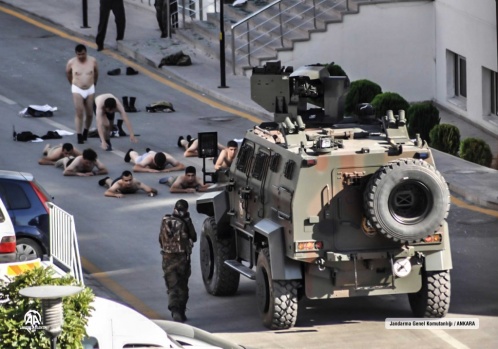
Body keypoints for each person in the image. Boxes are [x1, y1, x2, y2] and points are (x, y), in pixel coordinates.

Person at [158, 199, 197, 322]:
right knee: (182, 285)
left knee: (172, 285)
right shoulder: (185, 221)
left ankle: (175, 309)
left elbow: (160, 239)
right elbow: (194, 237)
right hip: (182, 259)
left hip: (167, 258)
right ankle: (180, 310)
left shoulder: (165, 220)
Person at [66, 44, 99, 144]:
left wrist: (94, 83)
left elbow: (96, 73)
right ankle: (79, 134)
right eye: (79, 54)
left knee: (89, 113)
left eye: (83, 54)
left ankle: (86, 130)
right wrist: (72, 83)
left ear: (86, 52)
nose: (81, 56)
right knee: (79, 112)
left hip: (90, 88)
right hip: (77, 88)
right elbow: (68, 73)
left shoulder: (92, 61)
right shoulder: (71, 62)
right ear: (76, 54)